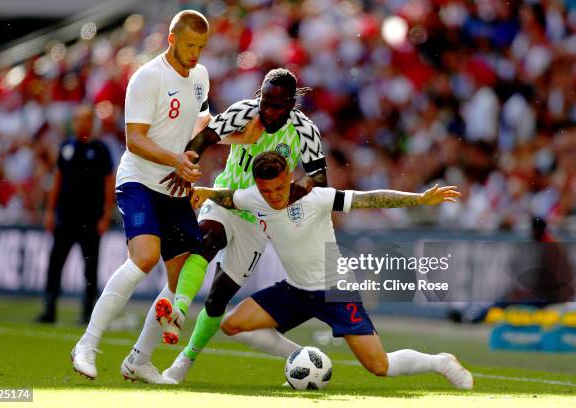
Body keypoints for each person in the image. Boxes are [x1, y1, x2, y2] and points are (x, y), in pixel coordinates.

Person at [188, 151, 473, 390]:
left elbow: (369, 199)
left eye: (279, 188)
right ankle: (301, 357)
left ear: (289, 177)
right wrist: (205, 193)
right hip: (296, 289)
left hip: (335, 290)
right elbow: (229, 197)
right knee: (230, 324)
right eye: (266, 190)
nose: (273, 196)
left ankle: (440, 362)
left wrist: (419, 199)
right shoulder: (254, 198)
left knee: (379, 365)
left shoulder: (317, 198)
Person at [123, 68, 328, 384]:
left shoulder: (305, 131)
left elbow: (320, 178)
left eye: (278, 106)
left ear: (291, 104)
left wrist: (293, 191)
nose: (269, 112)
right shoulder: (245, 112)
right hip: (224, 200)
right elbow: (204, 137)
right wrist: (187, 167)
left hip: (259, 221)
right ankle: (177, 311)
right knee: (207, 240)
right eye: (265, 102)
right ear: (259, 96)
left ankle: (184, 361)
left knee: (219, 297)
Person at [71, 9, 212, 382]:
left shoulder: (200, 77)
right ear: (171, 40)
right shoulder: (148, 77)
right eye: (188, 45)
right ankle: (87, 343)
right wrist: (177, 159)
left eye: (201, 46)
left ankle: (138, 359)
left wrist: (192, 155)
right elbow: (134, 139)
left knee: (180, 278)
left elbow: (198, 120)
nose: (195, 53)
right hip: (138, 181)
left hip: (174, 186)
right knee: (146, 257)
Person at [36, 104, 114, 325]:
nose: (81, 124)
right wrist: (50, 211)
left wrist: (106, 216)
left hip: (90, 218)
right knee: (55, 263)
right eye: (78, 119)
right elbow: (57, 180)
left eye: (85, 119)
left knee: (90, 268)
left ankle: (88, 313)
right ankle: (49, 309)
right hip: (66, 217)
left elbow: (109, 184)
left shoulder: (101, 149)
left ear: (92, 122)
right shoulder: (66, 147)